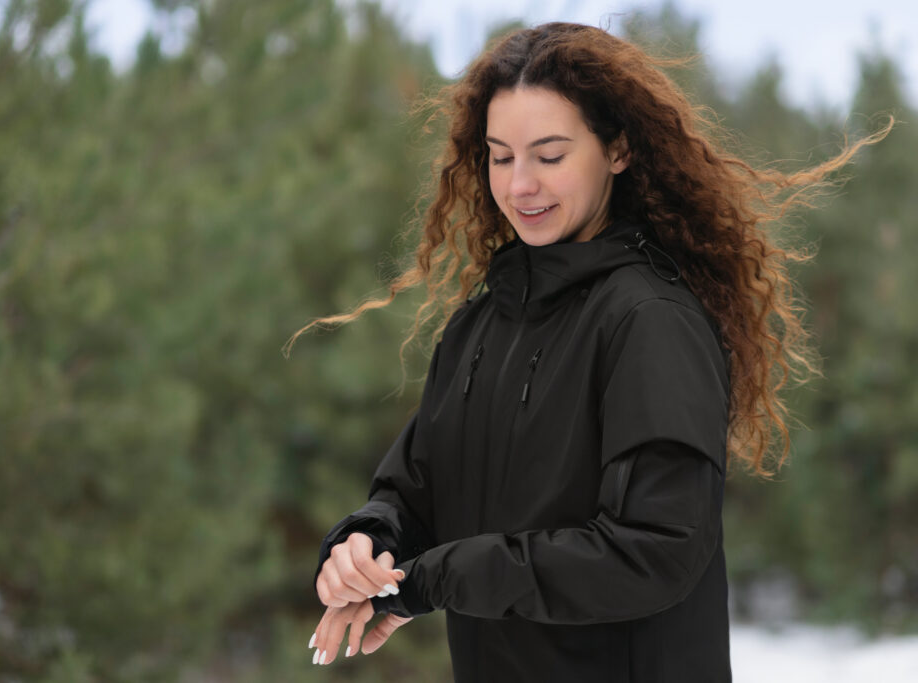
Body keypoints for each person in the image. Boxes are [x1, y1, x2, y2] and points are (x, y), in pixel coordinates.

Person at [290, 22, 889, 682]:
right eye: (500, 156)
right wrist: (368, 545)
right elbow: (415, 490)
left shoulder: (649, 320)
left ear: (618, 150)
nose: (520, 185)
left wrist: (435, 577)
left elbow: (653, 550)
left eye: (549, 156)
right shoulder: (482, 323)